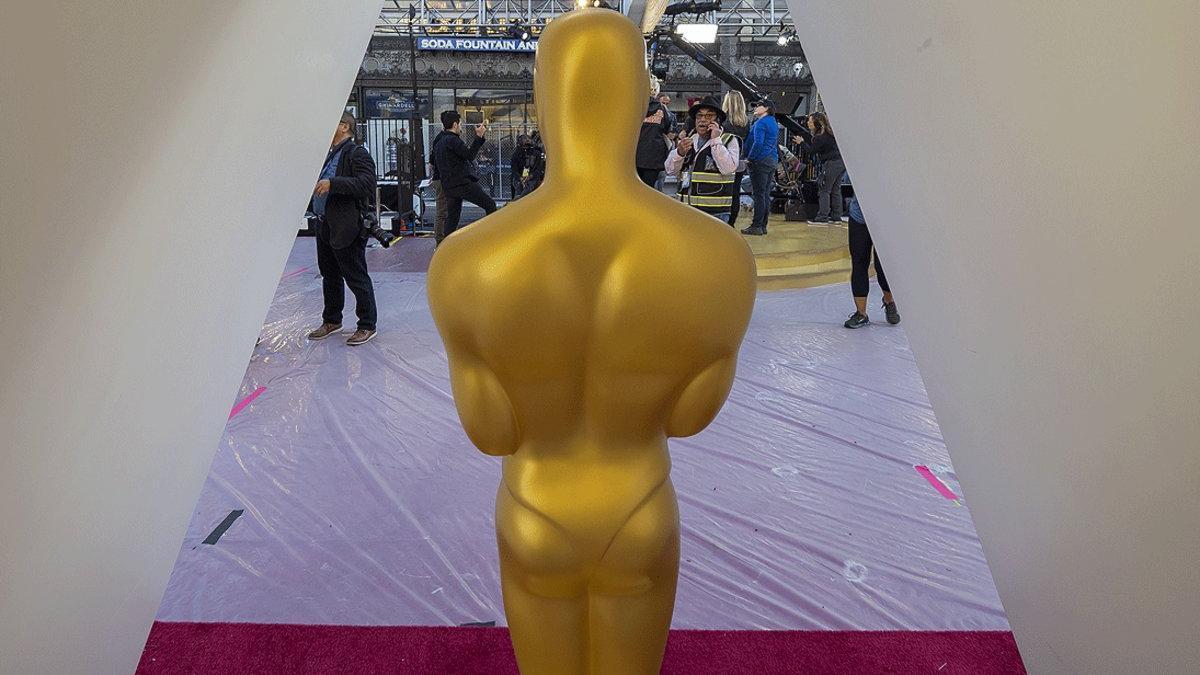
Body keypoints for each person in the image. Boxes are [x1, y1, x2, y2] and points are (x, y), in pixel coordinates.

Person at [307, 111, 379, 346]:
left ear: (345, 126)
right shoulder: (328, 155)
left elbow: (367, 184)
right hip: (324, 222)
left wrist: (333, 184)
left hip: (346, 224)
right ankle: (332, 320)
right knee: (330, 275)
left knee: (355, 275)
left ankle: (367, 324)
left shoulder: (356, 154)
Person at [665, 95, 740, 223]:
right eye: (699, 116)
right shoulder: (689, 140)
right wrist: (679, 152)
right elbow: (670, 170)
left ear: (718, 120)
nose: (703, 120)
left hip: (715, 214)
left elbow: (728, 168)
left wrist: (716, 140)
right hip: (686, 210)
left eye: (709, 116)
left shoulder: (729, 140)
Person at [431, 110, 497, 242]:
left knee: (453, 217)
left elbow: (434, 163)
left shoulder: (439, 142)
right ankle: (492, 238)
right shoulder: (453, 140)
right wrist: (478, 137)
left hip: (448, 186)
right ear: (455, 124)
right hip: (462, 183)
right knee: (490, 205)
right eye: (460, 124)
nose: (461, 127)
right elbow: (470, 155)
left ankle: (444, 245)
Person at [844, 194, 900, 328]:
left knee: (882, 266)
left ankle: (889, 300)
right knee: (859, 262)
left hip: (886, 218)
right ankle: (861, 313)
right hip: (859, 217)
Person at [794, 111, 845, 223]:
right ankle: (836, 217)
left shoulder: (820, 137)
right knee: (836, 190)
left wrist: (801, 142)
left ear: (816, 124)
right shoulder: (830, 133)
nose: (808, 123)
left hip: (831, 163)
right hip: (841, 163)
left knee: (824, 190)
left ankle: (822, 217)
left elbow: (811, 151)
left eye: (810, 121)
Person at [740, 97, 779, 236]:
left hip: (760, 161)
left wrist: (750, 158)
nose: (755, 107)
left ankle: (756, 226)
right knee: (765, 194)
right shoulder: (773, 122)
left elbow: (758, 143)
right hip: (771, 160)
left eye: (759, 105)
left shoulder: (761, 123)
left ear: (767, 108)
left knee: (758, 195)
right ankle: (763, 226)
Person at [722, 90, 750, 226]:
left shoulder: (723, 121)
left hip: (724, 160)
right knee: (735, 193)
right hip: (740, 161)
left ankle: (723, 221)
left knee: (722, 191)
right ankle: (732, 222)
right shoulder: (745, 122)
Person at [636, 100, 670, 188]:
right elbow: (667, 127)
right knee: (649, 189)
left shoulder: (634, 107)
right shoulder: (662, 109)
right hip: (654, 157)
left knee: (633, 189)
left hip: (635, 156)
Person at [510, 134, 530, 199]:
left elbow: (527, 166)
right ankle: (517, 200)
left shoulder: (530, 153)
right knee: (519, 185)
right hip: (517, 177)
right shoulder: (515, 155)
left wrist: (525, 176)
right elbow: (514, 170)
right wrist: (520, 178)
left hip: (527, 175)